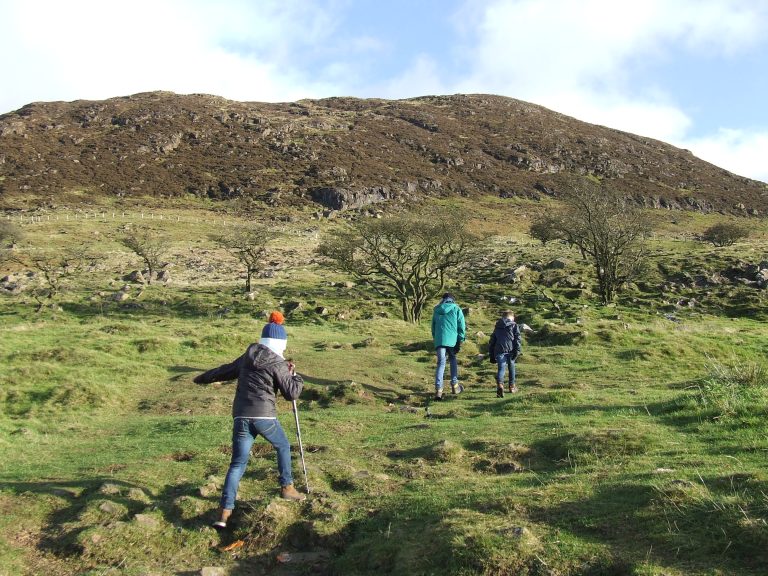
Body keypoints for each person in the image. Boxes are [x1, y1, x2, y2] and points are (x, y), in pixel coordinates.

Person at [193, 310, 305, 530]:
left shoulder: (248, 356)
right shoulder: (278, 362)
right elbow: (291, 393)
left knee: (237, 463)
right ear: (281, 343)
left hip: (241, 415)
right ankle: (287, 488)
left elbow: (225, 371)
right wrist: (296, 376)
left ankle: (224, 512)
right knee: (282, 445)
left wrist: (203, 377)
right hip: (264, 416)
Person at [431, 292, 466, 400]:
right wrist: (460, 339)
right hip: (452, 340)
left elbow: (433, 327)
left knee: (441, 363)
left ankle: (438, 390)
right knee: (452, 359)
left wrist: (436, 338)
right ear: (453, 300)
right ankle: (455, 386)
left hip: (440, 340)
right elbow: (461, 326)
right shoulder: (456, 309)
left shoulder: (436, 310)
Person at [488, 310, 522, 397]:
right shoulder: (514, 325)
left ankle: (500, 385)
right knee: (511, 367)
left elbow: (492, 341)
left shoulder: (497, 326)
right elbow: (517, 339)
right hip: (511, 350)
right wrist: (517, 351)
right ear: (511, 317)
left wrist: (491, 355)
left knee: (501, 369)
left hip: (499, 350)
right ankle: (512, 387)